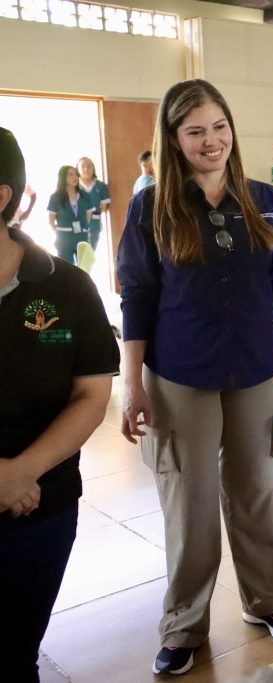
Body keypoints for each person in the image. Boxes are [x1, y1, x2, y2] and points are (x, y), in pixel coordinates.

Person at [117, 79, 273, 676]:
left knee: (256, 493)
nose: (212, 141)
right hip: (180, 376)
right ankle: (183, 624)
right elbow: (138, 297)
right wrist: (131, 385)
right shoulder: (151, 206)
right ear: (174, 141)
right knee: (190, 503)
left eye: (219, 127)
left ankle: (268, 602)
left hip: (259, 369)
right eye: (195, 131)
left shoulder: (265, 200)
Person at [0, 127, 119, 682]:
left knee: (15, 649)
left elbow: (92, 395)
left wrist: (21, 473)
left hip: (39, 507)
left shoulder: (66, 287)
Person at [46, 164, 93, 264]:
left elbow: (88, 216)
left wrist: (83, 227)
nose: (75, 177)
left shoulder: (86, 196)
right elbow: (51, 221)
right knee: (67, 269)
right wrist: (61, 232)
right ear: (63, 177)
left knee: (84, 268)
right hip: (64, 238)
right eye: (70, 175)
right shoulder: (55, 197)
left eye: (76, 174)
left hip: (82, 236)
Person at [77, 156, 111, 251]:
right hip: (77, 225)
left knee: (90, 252)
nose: (86, 169)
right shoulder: (74, 186)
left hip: (94, 224)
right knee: (77, 253)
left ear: (93, 168)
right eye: (83, 166)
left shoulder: (100, 186)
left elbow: (104, 207)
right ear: (78, 169)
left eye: (89, 166)